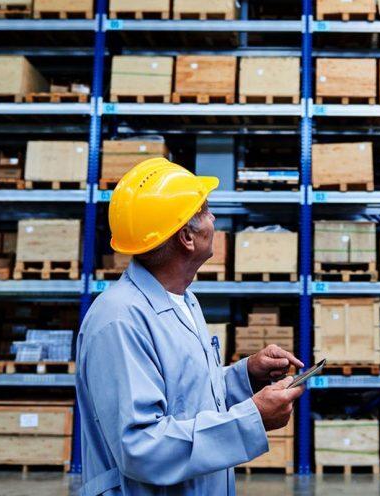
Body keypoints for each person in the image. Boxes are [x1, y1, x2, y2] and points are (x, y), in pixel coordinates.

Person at [76, 158, 305, 496]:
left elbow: (186, 400)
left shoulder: (183, 301)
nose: (213, 219)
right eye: (206, 210)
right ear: (186, 237)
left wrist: (246, 376)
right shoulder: (120, 320)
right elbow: (141, 448)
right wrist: (251, 419)